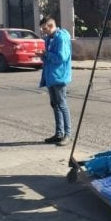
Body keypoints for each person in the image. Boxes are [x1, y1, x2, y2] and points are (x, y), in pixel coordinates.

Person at [39, 17, 72, 146]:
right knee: (55, 104)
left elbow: (61, 57)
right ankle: (59, 133)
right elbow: (49, 57)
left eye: (44, 28)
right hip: (51, 75)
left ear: (51, 26)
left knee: (62, 105)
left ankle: (67, 134)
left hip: (59, 76)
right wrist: (43, 55)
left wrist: (46, 54)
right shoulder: (49, 38)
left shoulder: (61, 38)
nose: (43, 31)